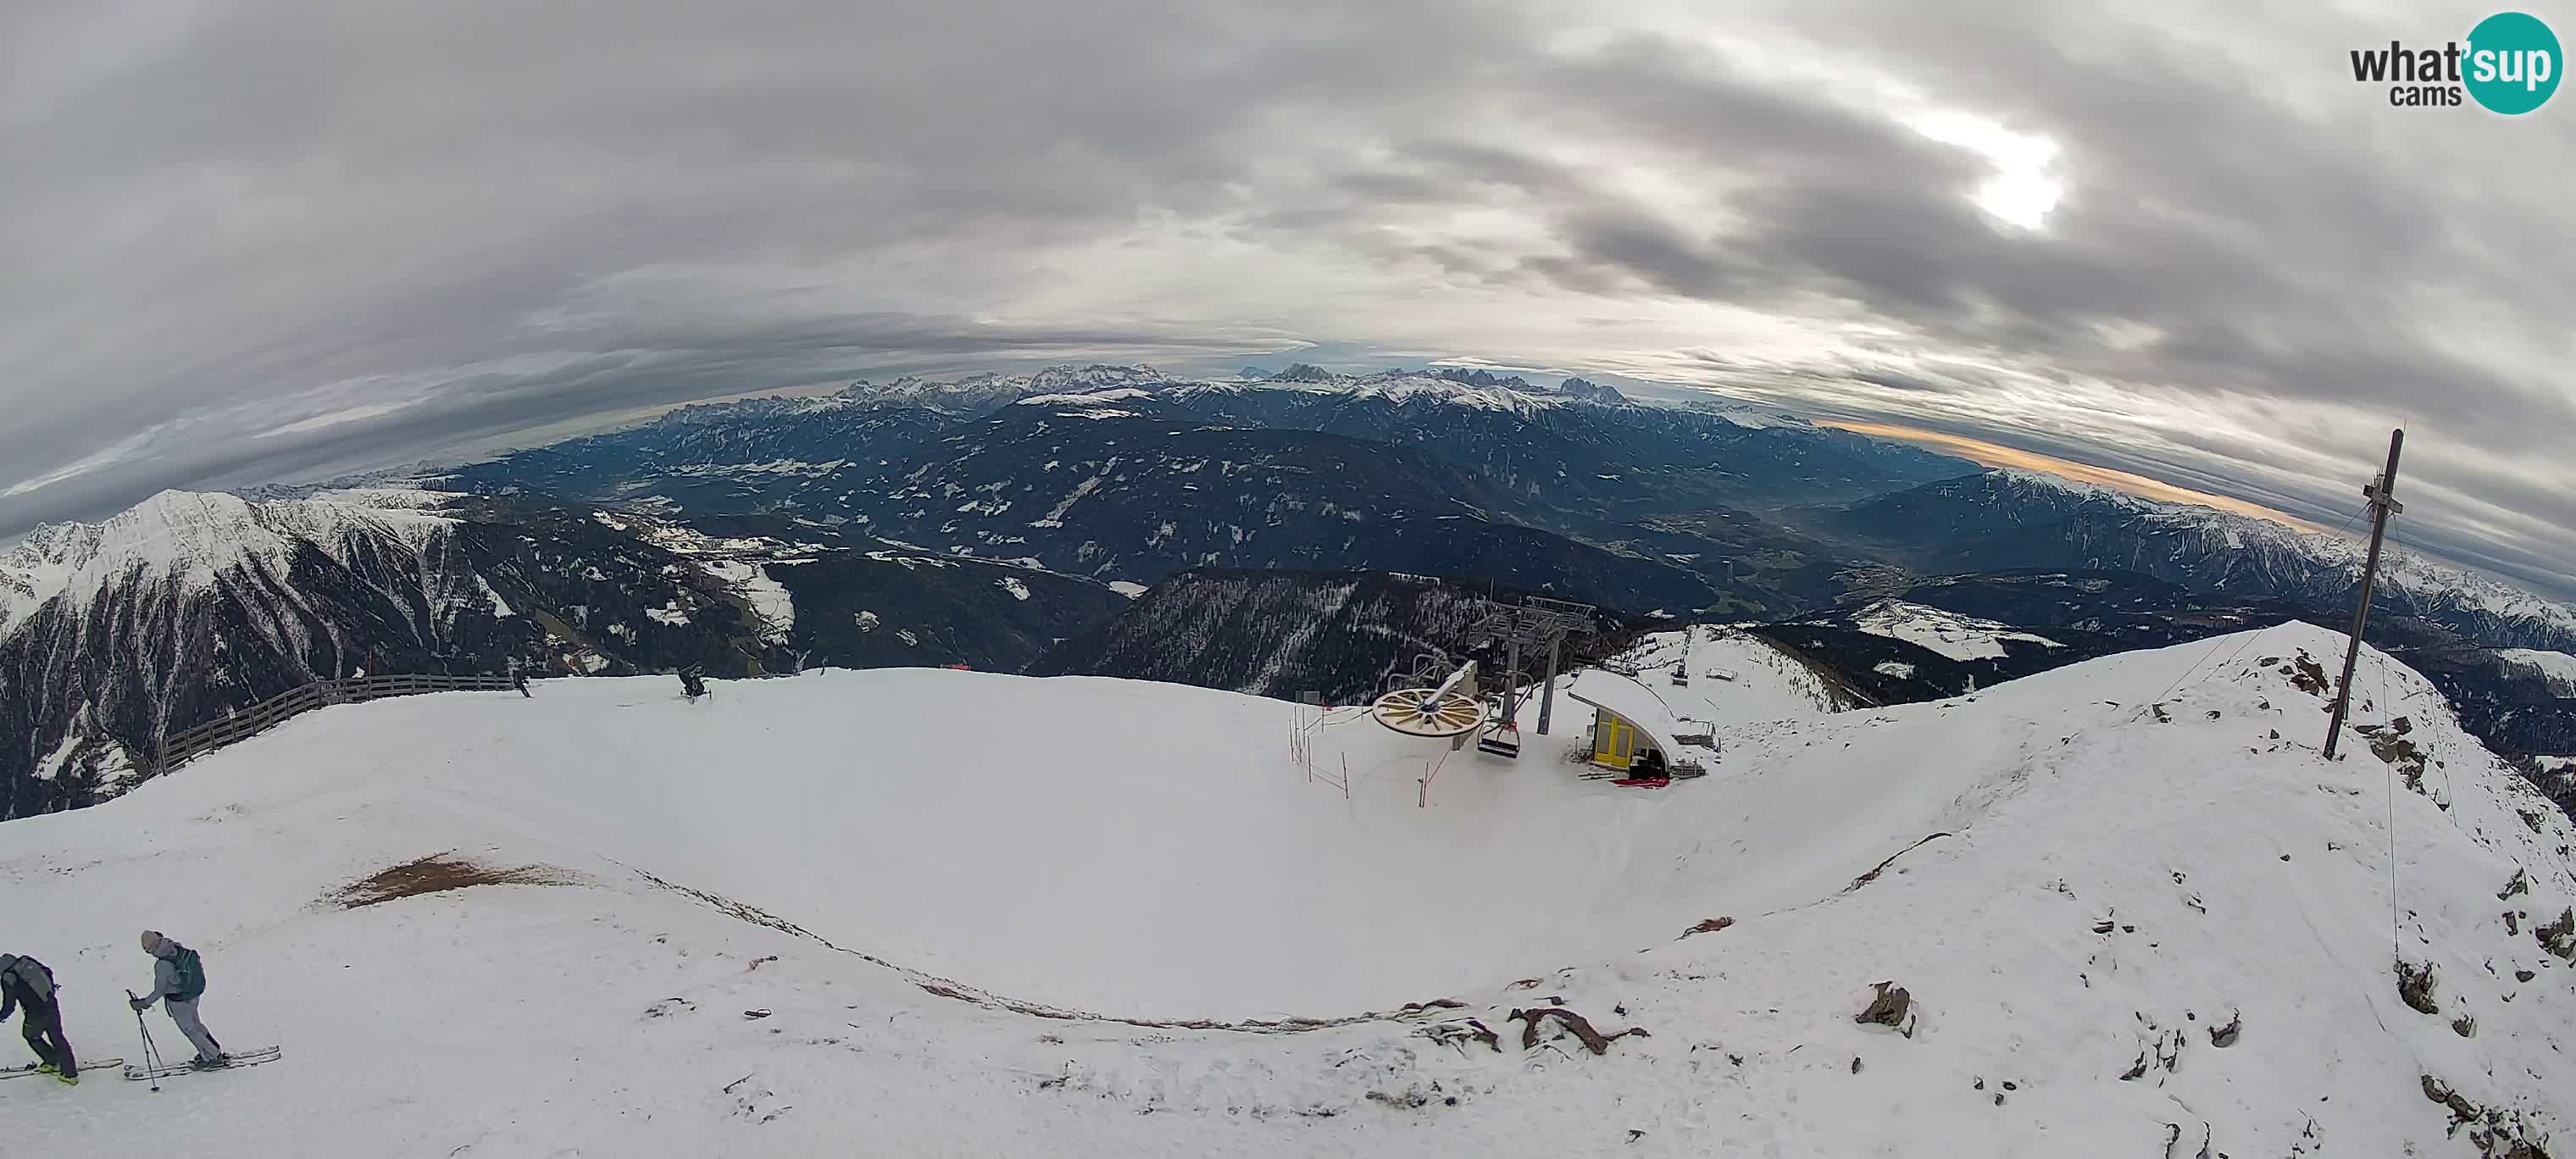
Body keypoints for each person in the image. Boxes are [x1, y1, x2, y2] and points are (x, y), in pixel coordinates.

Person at [130, 931, 225, 1068]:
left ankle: (212, 1057)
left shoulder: (163, 964)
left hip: (179, 1001)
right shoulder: (175, 947)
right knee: (196, 1024)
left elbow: (159, 991)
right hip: (192, 995)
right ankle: (213, 1050)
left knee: (190, 1030)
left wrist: (143, 1003)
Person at [0, 952, 78, 1084]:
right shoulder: (26, 961)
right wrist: (49, 993)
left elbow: (9, 1005)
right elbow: (48, 972)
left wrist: (1, 1016)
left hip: (35, 1012)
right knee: (57, 1037)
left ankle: (51, 1060)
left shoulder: (8, 978)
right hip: (51, 1003)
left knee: (31, 1035)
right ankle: (70, 1074)